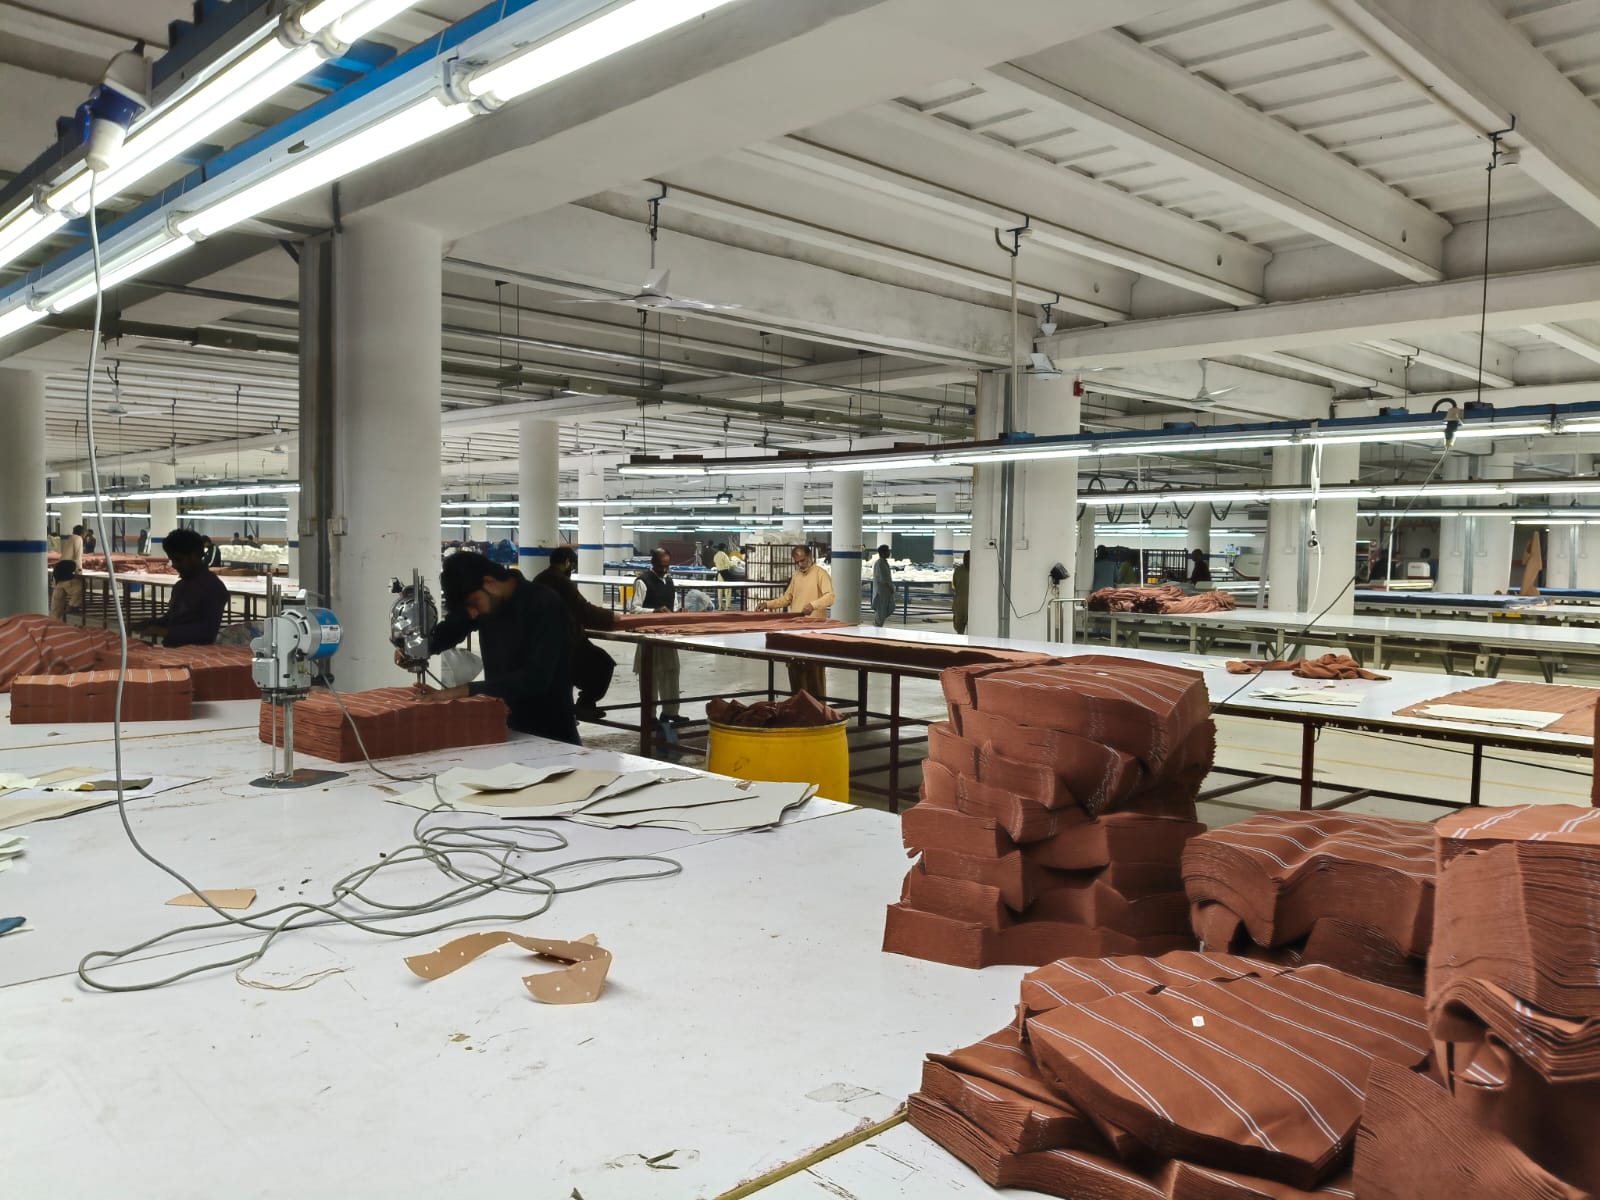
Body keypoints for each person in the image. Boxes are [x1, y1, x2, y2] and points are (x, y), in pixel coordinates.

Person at [418, 551, 579, 745]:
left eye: (473, 604)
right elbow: (453, 628)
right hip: (503, 724)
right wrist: (418, 647)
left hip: (551, 731)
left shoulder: (545, 604)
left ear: (489, 582)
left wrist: (461, 691)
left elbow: (535, 678)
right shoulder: (484, 602)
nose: (473, 614)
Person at [533, 545, 616, 723]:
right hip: (565, 641)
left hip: (543, 640)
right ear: (567, 562)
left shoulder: (539, 578)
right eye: (573, 565)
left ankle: (571, 709)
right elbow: (582, 609)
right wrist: (611, 618)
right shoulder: (561, 582)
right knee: (603, 663)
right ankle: (585, 704)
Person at [759, 545, 835, 699]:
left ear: (810, 557)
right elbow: (786, 599)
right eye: (797, 562)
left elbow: (830, 596)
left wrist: (813, 605)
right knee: (795, 667)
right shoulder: (796, 577)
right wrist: (768, 604)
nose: (801, 564)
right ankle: (798, 701)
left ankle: (817, 704)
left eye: (803, 560)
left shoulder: (820, 574)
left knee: (814, 668)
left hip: (815, 630)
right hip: (796, 629)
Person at [134, 527, 228, 647]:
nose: (174, 565)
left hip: (195, 653)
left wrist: (167, 632)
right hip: (173, 649)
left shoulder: (213, 588)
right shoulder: (181, 586)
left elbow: (207, 632)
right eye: (172, 560)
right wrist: (150, 623)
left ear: (194, 556)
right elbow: (171, 619)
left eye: (178, 559)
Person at [630, 547, 685, 727]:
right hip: (649, 636)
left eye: (667, 566)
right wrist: (654, 611)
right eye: (661, 566)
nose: (664, 569)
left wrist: (678, 612)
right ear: (653, 563)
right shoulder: (642, 581)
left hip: (667, 635)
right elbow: (634, 610)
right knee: (650, 675)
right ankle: (650, 716)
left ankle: (670, 712)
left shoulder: (669, 581)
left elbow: (673, 606)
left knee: (672, 672)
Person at [871, 544, 895, 627]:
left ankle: (878, 624)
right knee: (881, 610)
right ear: (883, 552)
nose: (889, 553)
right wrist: (890, 587)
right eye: (887, 551)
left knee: (888, 608)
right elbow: (883, 579)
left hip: (886, 590)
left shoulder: (884, 562)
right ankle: (877, 626)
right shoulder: (880, 563)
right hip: (882, 590)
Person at [952, 550, 970, 635]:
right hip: (963, 603)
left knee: (959, 627)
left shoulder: (958, 570)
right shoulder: (977, 571)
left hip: (960, 603)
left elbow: (954, 585)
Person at [713, 542, 734, 610]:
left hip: (719, 574)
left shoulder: (716, 555)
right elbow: (729, 564)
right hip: (725, 573)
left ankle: (720, 606)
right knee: (727, 590)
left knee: (720, 591)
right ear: (724, 548)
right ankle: (727, 607)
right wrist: (736, 562)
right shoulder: (724, 555)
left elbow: (715, 562)